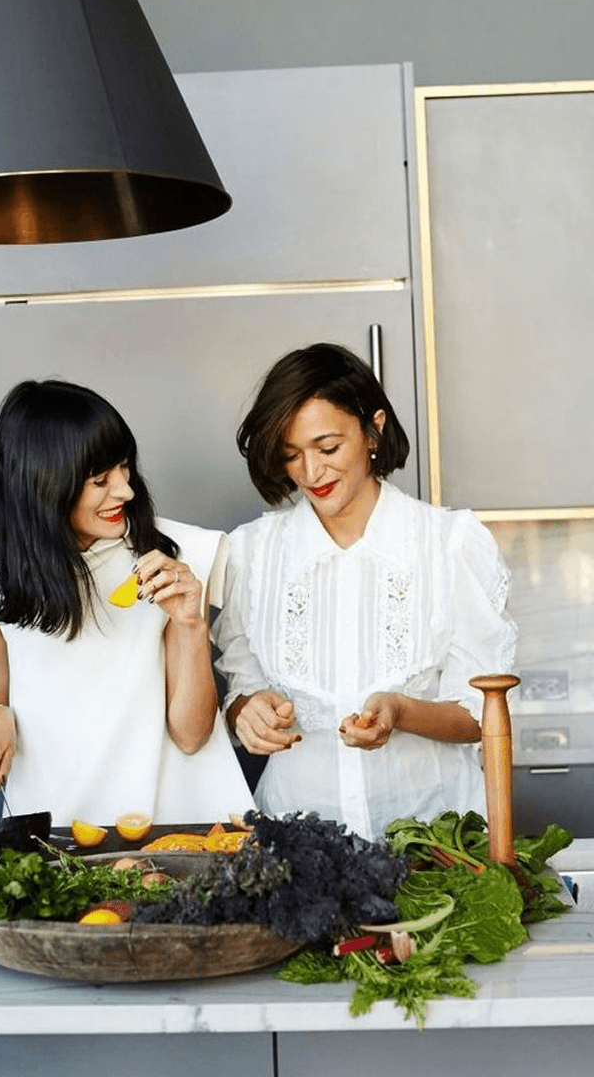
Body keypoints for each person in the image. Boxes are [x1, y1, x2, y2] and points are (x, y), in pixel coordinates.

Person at [213, 343, 517, 840]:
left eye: (328, 448)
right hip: (296, 840)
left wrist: (401, 711)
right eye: (291, 455)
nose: (311, 473)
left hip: (435, 840)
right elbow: (241, 690)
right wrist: (248, 713)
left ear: (373, 429)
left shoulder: (450, 545)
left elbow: (481, 714)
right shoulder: (251, 555)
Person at [0, 379, 252, 826]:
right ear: (43, 486)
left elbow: (192, 736)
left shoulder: (178, 557)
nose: (126, 491)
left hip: (173, 830)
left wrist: (190, 623)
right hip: (57, 832)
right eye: (100, 480)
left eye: (124, 468)